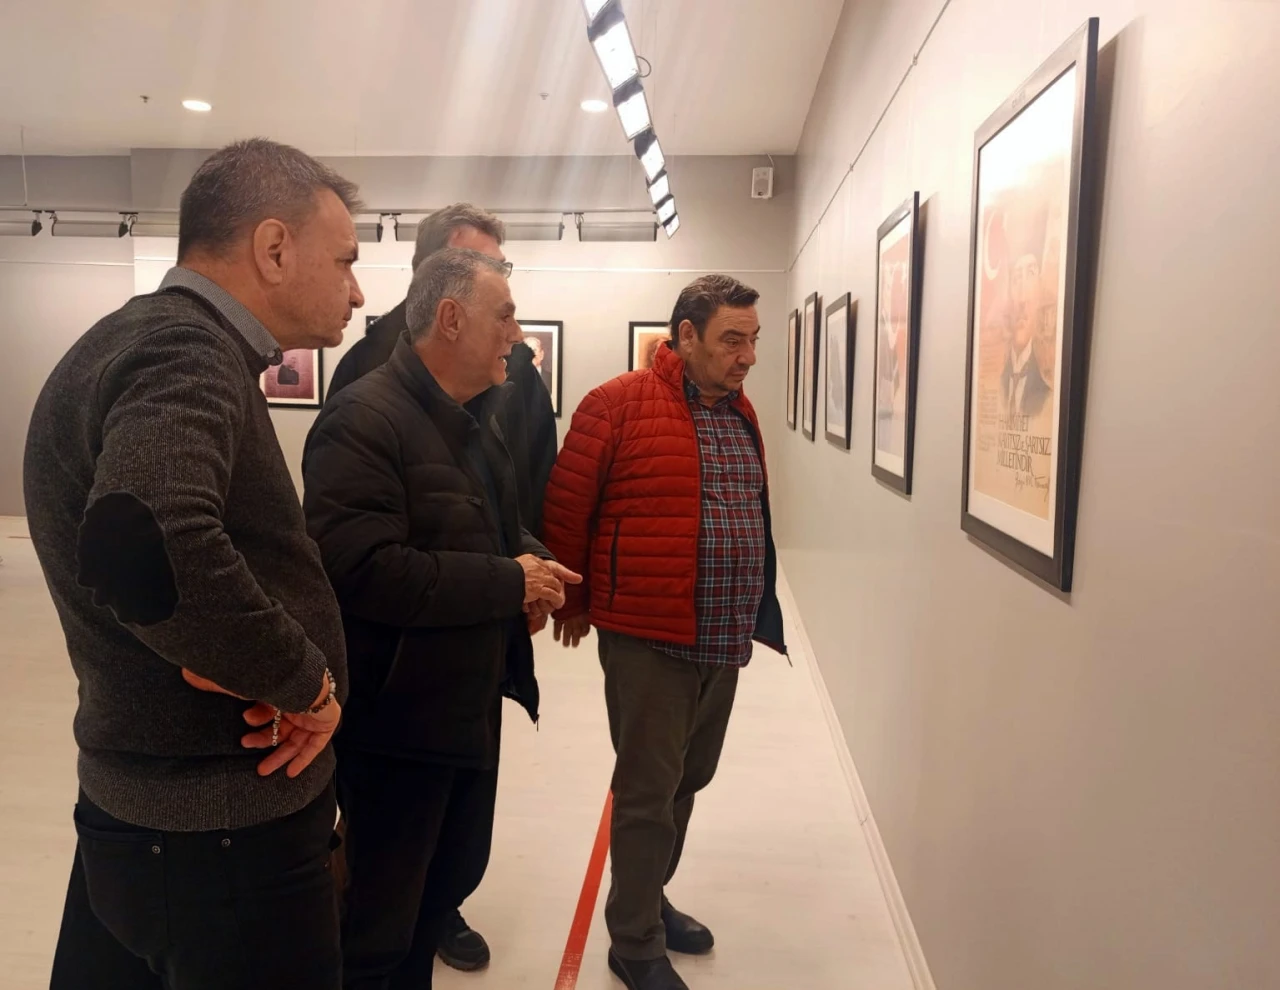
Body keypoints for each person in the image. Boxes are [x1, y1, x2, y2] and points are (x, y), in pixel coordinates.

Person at [22, 138, 364, 990]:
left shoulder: (132, 339)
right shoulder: (186, 349)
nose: (358, 291)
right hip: (220, 841)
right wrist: (304, 683)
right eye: (345, 261)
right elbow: (147, 541)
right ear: (274, 248)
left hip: (151, 810)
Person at [302, 248, 581, 990]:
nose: (517, 334)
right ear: (451, 319)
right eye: (505, 316)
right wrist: (508, 582)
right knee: (377, 930)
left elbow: (486, 526)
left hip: (463, 706)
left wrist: (533, 564)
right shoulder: (363, 419)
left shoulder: (473, 419)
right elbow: (362, 569)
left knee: (438, 895)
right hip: (398, 723)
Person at [542, 274, 786, 990]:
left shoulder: (740, 412)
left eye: (753, 341)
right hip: (649, 635)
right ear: (686, 336)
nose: (747, 357)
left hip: (723, 632)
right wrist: (571, 601)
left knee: (689, 778)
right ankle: (634, 941)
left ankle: (646, 896)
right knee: (649, 790)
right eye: (732, 340)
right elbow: (568, 507)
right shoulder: (615, 404)